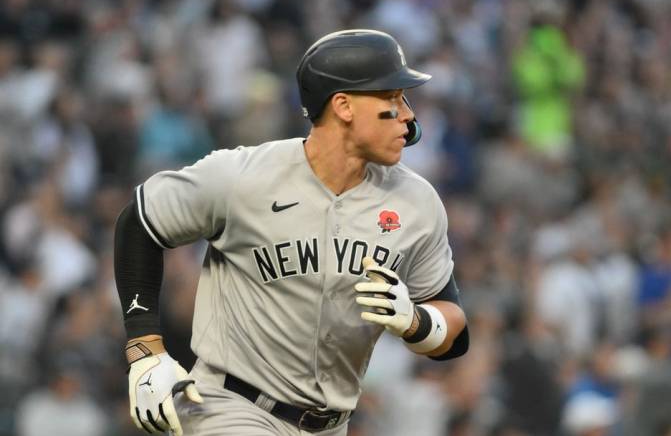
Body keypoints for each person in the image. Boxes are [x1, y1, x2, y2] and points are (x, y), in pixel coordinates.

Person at [113, 29, 470, 436]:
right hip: (231, 407)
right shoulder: (243, 177)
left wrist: (418, 322)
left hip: (332, 425)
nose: (407, 114)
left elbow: (454, 330)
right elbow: (139, 220)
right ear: (344, 106)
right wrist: (146, 351)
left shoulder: (416, 202)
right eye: (391, 98)